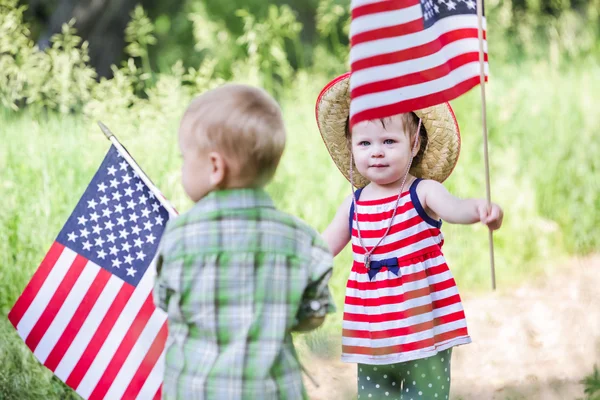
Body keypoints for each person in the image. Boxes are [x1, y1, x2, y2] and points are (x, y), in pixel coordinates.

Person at [315, 73, 503, 400]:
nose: (377, 152)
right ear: (351, 147)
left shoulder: (423, 191)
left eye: (389, 141)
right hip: (373, 333)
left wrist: (480, 211)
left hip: (424, 325)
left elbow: (455, 208)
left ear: (414, 143)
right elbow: (322, 246)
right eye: (365, 143)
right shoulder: (354, 204)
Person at [153, 83, 335, 400]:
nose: (182, 167)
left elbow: (167, 300)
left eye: (185, 158)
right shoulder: (301, 240)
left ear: (214, 167)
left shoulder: (179, 235)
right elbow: (313, 314)